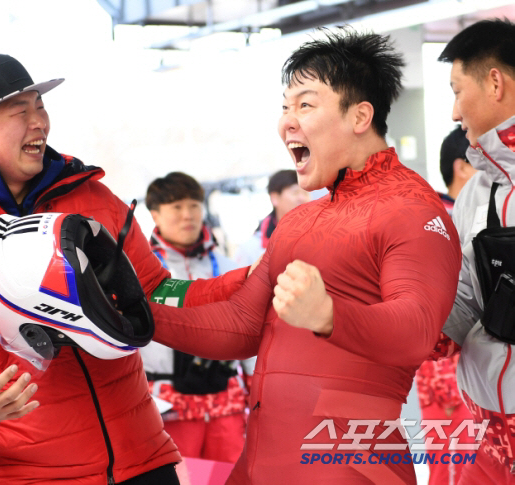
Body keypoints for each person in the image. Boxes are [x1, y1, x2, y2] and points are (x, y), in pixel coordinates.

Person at [0, 54, 247, 484]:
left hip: (145, 463)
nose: (39, 123)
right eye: (20, 112)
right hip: (24, 476)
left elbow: (157, 295)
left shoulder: (92, 198)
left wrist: (249, 282)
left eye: (40, 107)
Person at [148, 27, 462, 484]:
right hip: (259, 461)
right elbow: (240, 323)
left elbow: (416, 329)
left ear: (360, 116)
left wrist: (331, 315)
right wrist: (137, 318)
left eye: (305, 105)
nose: (286, 122)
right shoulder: (298, 221)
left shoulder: (412, 210)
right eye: (285, 107)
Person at [433, 18, 515, 484]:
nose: (452, 112)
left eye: (456, 90)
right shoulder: (475, 192)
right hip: (487, 434)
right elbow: (463, 302)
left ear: (495, 82)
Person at [141, 171, 250, 463]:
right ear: (155, 214)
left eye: (193, 205)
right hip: (166, 404)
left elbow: (250, 328)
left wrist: (257, 387)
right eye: (176, 207)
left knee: (233, 477)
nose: (187, 215)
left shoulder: (229, 266)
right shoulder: (142, 272)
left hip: (226, 400)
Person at [414, 125, 476, 485]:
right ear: (462, 167)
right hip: (446, 369)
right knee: (454, 465)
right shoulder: (437, 220)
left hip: (468, 364)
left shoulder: (467, 214)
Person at [234, 169, 310, 266]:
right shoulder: (251, 247)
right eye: (295, 192)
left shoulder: (322, 236)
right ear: (274, 198)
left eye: (306, 193)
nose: (302, 198)